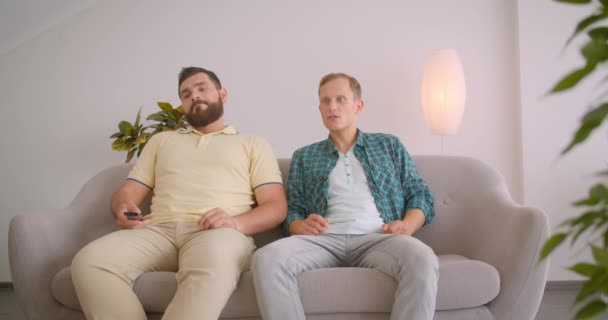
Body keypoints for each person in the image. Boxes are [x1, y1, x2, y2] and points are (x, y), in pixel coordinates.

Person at [71, 67, 287, 320]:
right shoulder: (162, 141)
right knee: (89, 262)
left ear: (222, 94)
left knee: (213, 263)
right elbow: (127, 193)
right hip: (157, 231)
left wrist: (235, 223)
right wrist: (123, 207)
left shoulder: (252, 144)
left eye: (202, 88)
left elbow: (275, 206)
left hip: (216, 233)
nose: (194, 95)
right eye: (186, 94)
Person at [252, 72, 438, 320]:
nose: (332, 106)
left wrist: (406, 225)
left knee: (422, 258)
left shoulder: (388, 145)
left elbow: (420, 193)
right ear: (319, 108)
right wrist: (300, 225)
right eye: (326, 101)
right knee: (266, 258)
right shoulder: (304, 156)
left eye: (341, 99)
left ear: (358, 106)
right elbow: (293, 210)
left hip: (378, 238)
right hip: (322, 241)